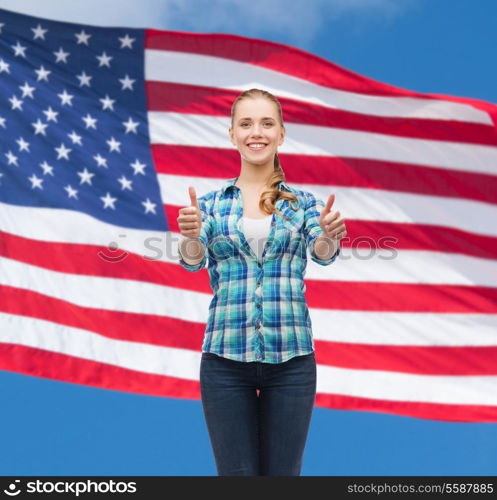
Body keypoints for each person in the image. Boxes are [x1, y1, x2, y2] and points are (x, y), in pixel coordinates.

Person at [176, 88, 346, 476]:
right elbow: (193, 260)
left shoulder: (302, 203)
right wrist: (189, 236)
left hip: (292, 361)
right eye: (246, 123)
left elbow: (320, 251)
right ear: (232, 134)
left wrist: (329, 235)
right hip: (224, 361)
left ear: (281, 134)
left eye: (267, 123)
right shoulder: (210, 205)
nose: (257, 132)